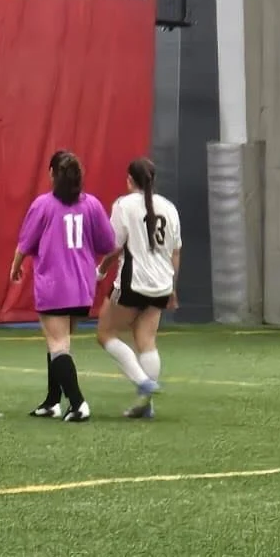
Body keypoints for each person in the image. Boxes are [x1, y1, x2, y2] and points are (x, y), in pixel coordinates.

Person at [9, 150, 123, 422]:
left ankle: (78, 402)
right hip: (82, 286)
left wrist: (15, 267)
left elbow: (25, 244)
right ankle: (52, 401)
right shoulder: (92, 205)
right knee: (60, 344)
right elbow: (109, 243)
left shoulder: (43, 205)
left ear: (51, 174)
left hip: (54, 285)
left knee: (57, 344)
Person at [96, 157, 181, 419]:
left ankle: (142, 382)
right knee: (147, 341)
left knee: (105, 333)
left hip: (134, 281)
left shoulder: (124, 205)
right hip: (162, 283)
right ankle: (146, 405)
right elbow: (175, 252)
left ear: (129, 179)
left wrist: (100, 270)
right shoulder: (169, 207)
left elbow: (114, 245)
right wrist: (172, 288)